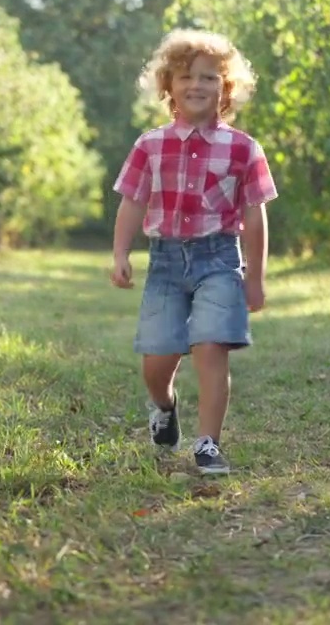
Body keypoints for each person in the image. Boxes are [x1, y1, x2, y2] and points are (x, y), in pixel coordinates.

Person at [109, 29, 278, 475]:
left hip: (220, 259)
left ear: (225, 89)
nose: (196, 85)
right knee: (156, 359)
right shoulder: (150, 144)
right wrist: (121, 253)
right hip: (165, 261)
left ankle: (208, 444)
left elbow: (255, 216)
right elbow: (132, 201)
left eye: (208, 77)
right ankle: (164, 405)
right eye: (185, 76)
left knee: (210, 347)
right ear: (169, 86)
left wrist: (256, 279)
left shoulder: (243, 148)